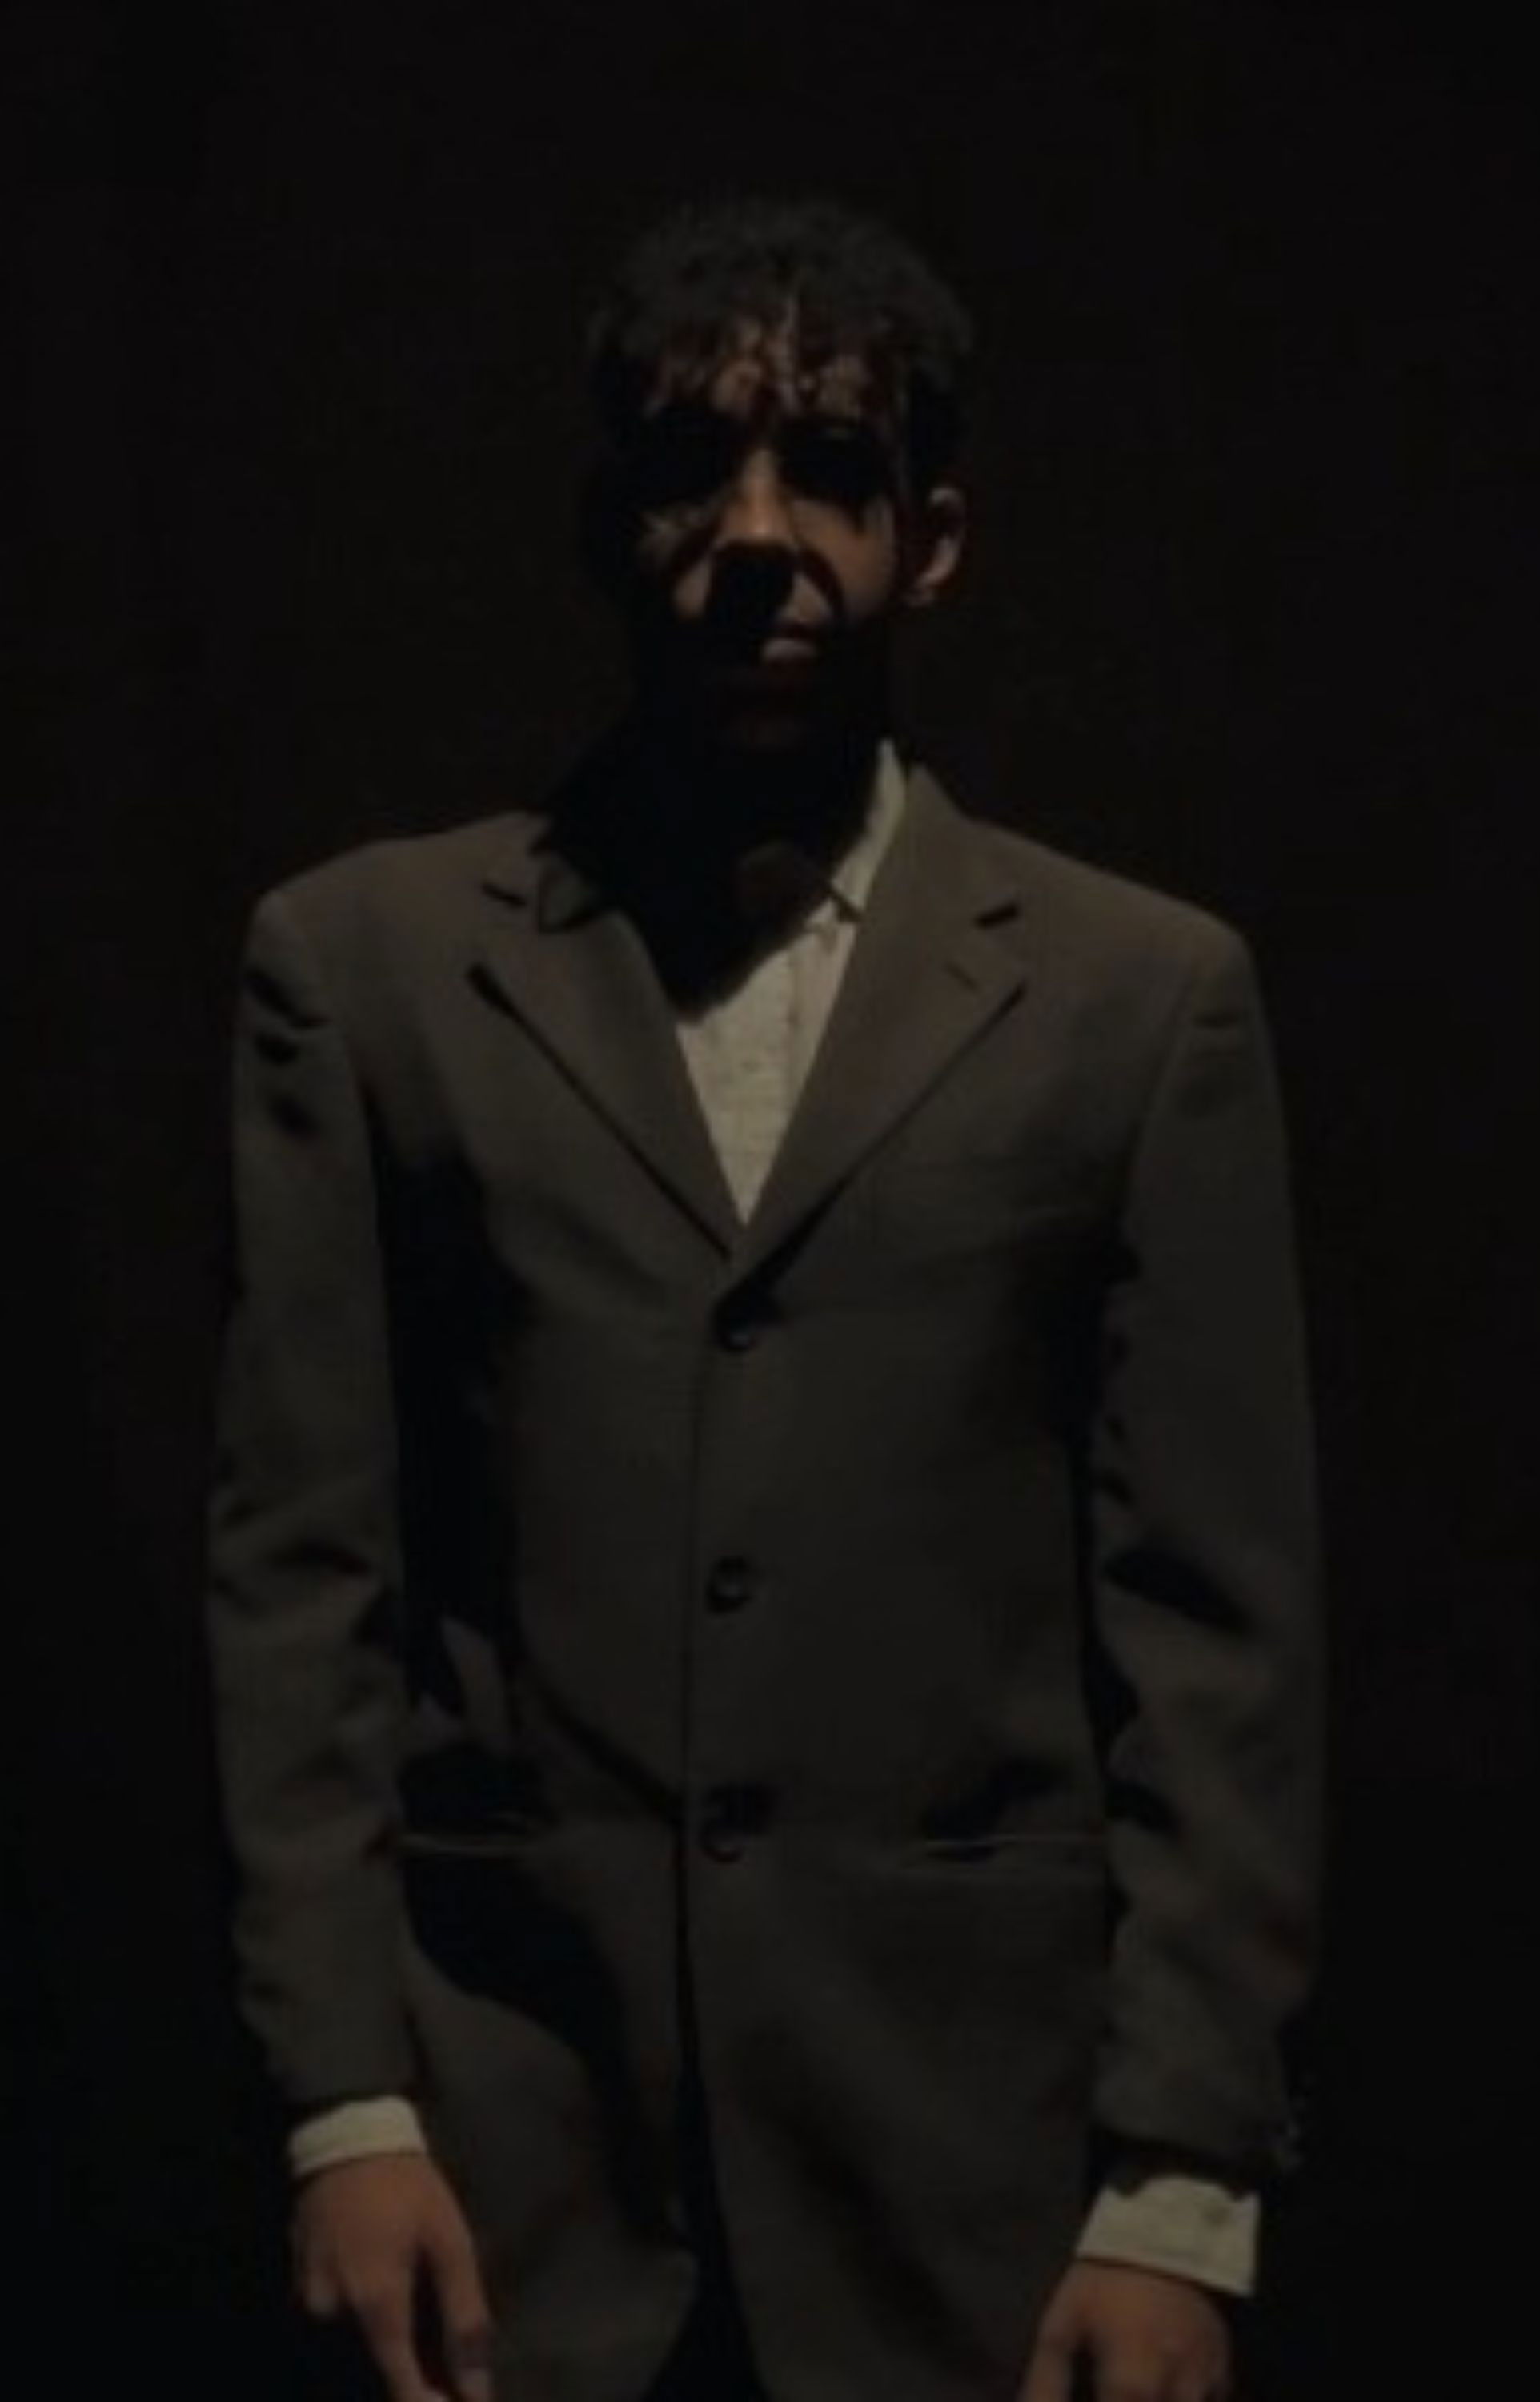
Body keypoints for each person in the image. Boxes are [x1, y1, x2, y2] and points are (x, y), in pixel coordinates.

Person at [207, 195, 1321, 2402]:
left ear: (934, 538)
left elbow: (1219, 1635)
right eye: (686, 472)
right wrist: (345, 2105)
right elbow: (301, 1582)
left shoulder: (1140, 1000)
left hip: (976, 2191)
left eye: (824, 470)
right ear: (605, 527)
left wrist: (1180, 2188)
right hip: (505, 2174)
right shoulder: (364, 974)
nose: (752, 535)